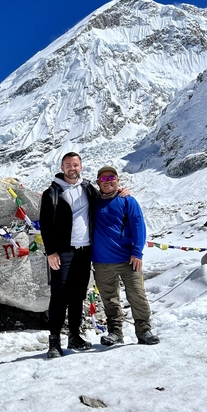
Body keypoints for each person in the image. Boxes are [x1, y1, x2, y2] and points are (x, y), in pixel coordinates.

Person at [39, 153, 129, 358]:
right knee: (59, 296)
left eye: (76, 165)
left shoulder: (88, 188)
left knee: (78, 295)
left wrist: (122, 191)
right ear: (62, 166)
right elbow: (45, 224)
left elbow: (107, 197)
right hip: (63, 252)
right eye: (68, 165)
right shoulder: (51, 193)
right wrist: (50, 251)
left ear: (81, 167)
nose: (72, 168)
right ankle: (54, 342)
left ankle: (74, 336)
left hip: (85, 250)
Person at [91, 165, 160, 346]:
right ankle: (115, 332)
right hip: (101, 261)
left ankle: (144, 330)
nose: (108, 181)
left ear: (118, 180)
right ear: (98, 182)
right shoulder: (93, 201)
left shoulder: (128, 200)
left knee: (137, 295)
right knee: (109, 299)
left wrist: (137, 252)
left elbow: (139, 226)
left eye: (111, 178)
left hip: (128, 259)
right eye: (104, 179)